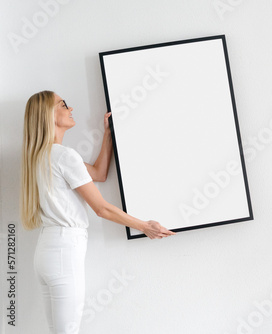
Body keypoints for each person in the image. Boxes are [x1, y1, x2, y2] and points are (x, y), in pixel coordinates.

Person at [19, 90, 176, 334]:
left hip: (46, 251)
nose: (71, 109)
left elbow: (99, 173)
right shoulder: (63, 156)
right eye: (63, 104)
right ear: (48, 114)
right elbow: (101, 208)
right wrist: (145, 226)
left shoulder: (41, 156)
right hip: (63, 251)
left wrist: (108, 134)